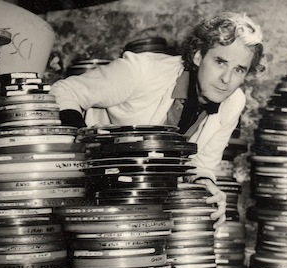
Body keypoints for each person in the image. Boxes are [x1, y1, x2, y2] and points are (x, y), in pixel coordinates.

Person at [50, 12, 266, 228]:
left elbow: (202, 164)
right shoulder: (142, 71)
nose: (226, 79)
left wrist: (205, 184)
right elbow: (65, 90)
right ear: (198, 56)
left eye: (239, 70)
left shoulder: (233, 102)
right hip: (86, 181)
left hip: (142, 199)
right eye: (220, 62)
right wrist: (80, 144)